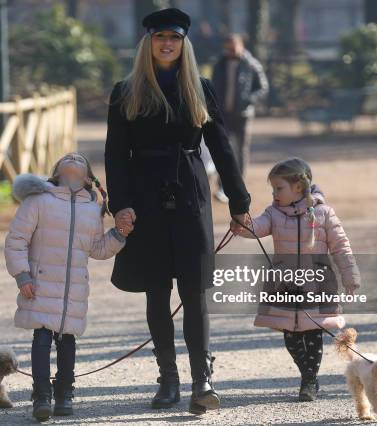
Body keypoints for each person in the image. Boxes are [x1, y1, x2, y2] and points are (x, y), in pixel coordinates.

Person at [105, 7, 251, 415]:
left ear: (183, 43)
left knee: (195, 291)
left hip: (190, 194)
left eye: (174, 38)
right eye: (159, 37)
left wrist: (239, 202)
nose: (167, 44)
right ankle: (167, 378)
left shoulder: (200, 88)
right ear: (148, 42)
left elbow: (222, 147)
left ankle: (202, 379)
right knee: (157, 292)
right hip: (145, 196)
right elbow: (115, 155)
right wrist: (120, 206)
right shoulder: (126, 90)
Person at [4, 153, 131, 421]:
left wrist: (119, 234)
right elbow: (16, 239)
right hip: (40, 284)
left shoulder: (92, 208)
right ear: (56, 171)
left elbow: (96, 248)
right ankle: (41, 395)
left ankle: (64, 394)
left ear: (88, 178)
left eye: (79, 159)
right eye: (67, 158)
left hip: (73, 290)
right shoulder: (38, 200)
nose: (73, 157)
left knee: (67, 341)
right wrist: (22, 275)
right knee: (41, 338)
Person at [238, 157, 361, 401]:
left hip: (316, 283)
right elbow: (256, 227)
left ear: (297, 187)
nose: (274, 193)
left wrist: (350, 276)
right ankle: (308, 375)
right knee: (291, 335)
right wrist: (241, 224)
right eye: (272, 189)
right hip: (284, 284)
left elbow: (341, 246)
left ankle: (309, 381)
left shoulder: (324, 213)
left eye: (279, 188)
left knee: (313, 332)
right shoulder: (273, 213)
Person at [211, 33, 269, 203]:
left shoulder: (251, 64)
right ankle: (223, 186)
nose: (231, 50)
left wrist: (249, 100)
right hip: (223, 114)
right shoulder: (220, 63)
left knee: (241, 150)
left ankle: (239, 186)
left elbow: (263, 87)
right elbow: (213, 85)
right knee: (224, 150)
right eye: (228, 47)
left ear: (241, 45)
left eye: (233, 47)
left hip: (243, 115)